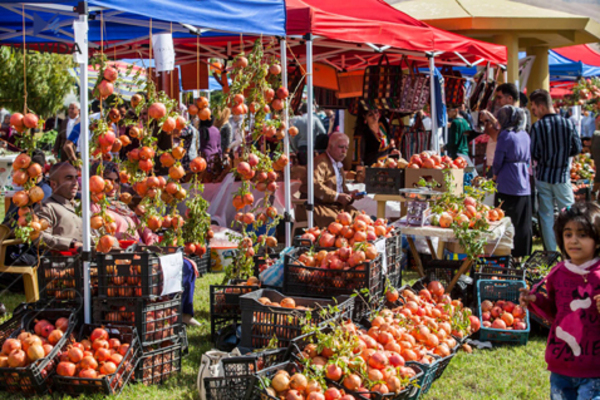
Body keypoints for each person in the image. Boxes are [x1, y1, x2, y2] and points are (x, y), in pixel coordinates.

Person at [519, 203, 600, 400]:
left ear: (597, 240)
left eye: (582, 235)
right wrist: (535, 301)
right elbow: (556, 313)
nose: (574, 241)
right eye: (568, 234)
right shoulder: (558, 273)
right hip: (561, 365)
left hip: (594, 369)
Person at [530, 89, 581, 251]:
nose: (533, 111)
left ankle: (551, 251)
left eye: (534, 108)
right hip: (562, 176)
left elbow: (533, 152)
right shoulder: (568, 123)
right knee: (570, 214)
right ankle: (571, 248)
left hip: (543, 176)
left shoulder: (537, 127)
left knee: (546, 216)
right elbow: (577, 148)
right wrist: (563, 156)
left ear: (541, 107)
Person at [491, 105, 532, 258]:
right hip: (524, 182)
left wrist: (494, 176)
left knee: (504, 220)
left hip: (507, 181)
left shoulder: (505, 135)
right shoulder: (525, 135)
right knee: (522, 223)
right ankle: (520, 255)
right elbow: (528, 159)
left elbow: (498, 159)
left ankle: (504, 253)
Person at [89, 162, 157, 245]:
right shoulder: (95, 208)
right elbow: (99, 237)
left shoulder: (121, 206)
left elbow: (141, 228)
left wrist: (151, 240)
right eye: (108, 180)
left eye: (116, 181)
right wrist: (124, 238)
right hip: (120, 254)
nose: (113, 185)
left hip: (138, 252)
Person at [312, 132, 363, 227]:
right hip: (319, 206)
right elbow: (315, 185)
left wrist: (351, 194)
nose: (344, 151)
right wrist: (337, 196)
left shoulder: (338, 164)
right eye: (341, 147)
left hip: (335, 206)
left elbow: (341, 191)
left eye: (346, 148)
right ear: (330, 146)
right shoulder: (320, 162)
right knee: (339, 224)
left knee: (360, 219)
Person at [37, 162, 83, 251]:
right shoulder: (47, 207)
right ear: (54, 184)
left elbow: (95, 235)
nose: (75, 183)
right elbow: (40, 237)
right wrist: (71, 243)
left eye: (76, 178)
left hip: (89, 261)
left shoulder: (80, 207)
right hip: (62, 261)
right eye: (69, 178)